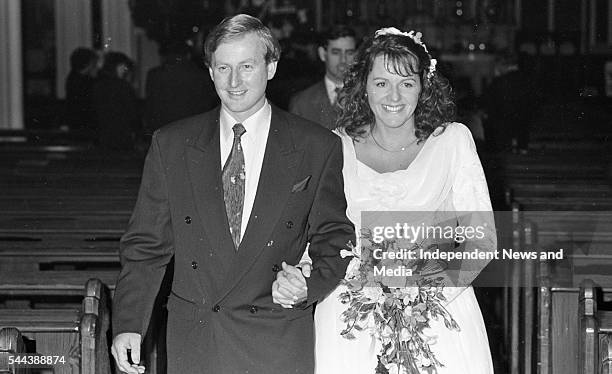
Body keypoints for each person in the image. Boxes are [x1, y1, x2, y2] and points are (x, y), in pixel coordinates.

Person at [110, 14, 355, 374]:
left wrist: (307, 284)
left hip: (277, 337)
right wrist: (129, 323)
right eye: (223, 67)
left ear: (271, 67)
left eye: (247, 66)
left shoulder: (316, 146)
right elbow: (146, 244)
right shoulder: (173, 143)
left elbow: (335, 237)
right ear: (210, 71)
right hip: (197, 338)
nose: (234, 81)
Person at [274, 28, 496, 373]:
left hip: (435, 316)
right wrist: (302, 275)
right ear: (364, 86)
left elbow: (481, 242)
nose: (394, 95)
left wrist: (419, 293)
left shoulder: (453, 142)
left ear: (424, 87)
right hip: (351, 317)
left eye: (406, 83)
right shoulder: (336, 147)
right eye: (381, 83)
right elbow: (317, 238)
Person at [289, 25, 357, 129]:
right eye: (336, 52)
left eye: (349, 53)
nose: (343, 60)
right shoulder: (302, 103)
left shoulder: (367, 97)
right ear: (322, 54)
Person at [143, 40, 218, 135]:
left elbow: (150, 106)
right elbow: (207, 104)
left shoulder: (155, 75)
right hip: (193, 130)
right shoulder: (199, 75)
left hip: (163, 130)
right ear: (188, 55)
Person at [92, 51, 141, 150]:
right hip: (122, 135)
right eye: (124, 67)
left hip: (103, 135)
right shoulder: (123, 86)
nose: (125, 70)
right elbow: (133, 113)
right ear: (117, 66)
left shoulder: (98, 85)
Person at [64, 47, 98, 131]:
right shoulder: (86, 82)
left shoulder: (72, 78)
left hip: (74, 123)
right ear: (89, 64)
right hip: (84, 125)